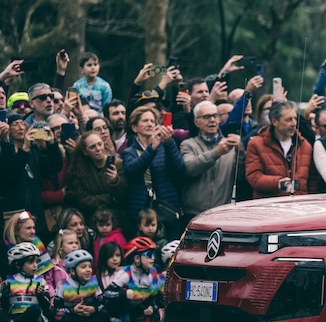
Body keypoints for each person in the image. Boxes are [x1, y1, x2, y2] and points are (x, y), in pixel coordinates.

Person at [122, 105, 186, 239]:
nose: (150, 124)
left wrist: (169, 143)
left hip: (167, 210)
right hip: (142, 213)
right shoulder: (129, 152)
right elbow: (132, 171)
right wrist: (151, 149)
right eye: (145, 121)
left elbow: (179, 168)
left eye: (152, 121)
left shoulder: (165, 147)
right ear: (134, 127)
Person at [180, 100, 242, 221]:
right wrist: (216, 153)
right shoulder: (188, 144)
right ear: (196, 122)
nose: (212, 120)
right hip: (194, 213)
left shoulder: (230, 145)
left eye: (215, 116)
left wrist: (242, 153)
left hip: (222, 212)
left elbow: (241, 177)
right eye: (206, 117)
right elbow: (190, 169)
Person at [245, 100, 314, 199]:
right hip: (269, 204)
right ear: (274, 122)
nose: (294, 123)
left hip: (300, 204)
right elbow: (254, 177)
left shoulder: (305, 145)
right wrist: (278, 183)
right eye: (288, 120)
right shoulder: (256, 144)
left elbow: (313, 181)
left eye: (295, 119)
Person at [64, 131, 129, 230]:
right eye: (92, 147)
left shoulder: (117, 164)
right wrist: (110, 199)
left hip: (118, 221)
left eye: (99, 144)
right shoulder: (79, 170)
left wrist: (115, 181)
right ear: (85, 152)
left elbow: (124, 195)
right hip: (93, 223)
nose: (98, 149)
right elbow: (83, 201)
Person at [1, 242, 52, 322]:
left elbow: (47, 307)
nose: (35, 265)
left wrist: (40, 296)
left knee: (35, 309)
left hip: (32, 317)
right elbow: (5, 306)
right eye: (31, 262)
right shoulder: (9, 280)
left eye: (37, 261)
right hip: (14, 315)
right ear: (18, 265)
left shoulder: (40, 281)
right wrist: (4, 295)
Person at [52, 249, 105, 322]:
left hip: (88, 316)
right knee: (60, 316)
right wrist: (73, 310)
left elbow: (102, 305)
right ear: (72, 271)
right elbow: (56, 310)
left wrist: (94, 309)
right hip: (72, 315)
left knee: (105, 314)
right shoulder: (63, 285)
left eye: (89, 267)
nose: (88, 270)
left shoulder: (94, 282)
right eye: (83, 267)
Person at [120, 236, 164, 322]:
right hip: (126, 310)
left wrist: (151, 308)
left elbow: (154, 297)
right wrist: (124, 293)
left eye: (153, 254)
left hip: (140, 310)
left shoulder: (153, 272)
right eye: (149, 254)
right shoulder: (125, 272)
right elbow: (108, 293)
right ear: (136, 258)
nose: (153, 258)